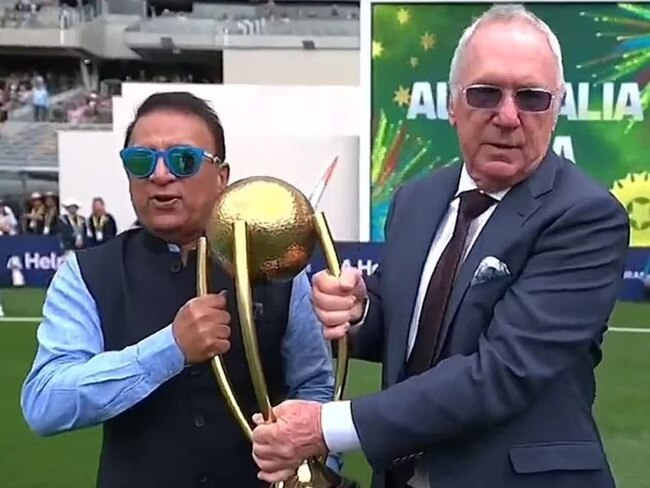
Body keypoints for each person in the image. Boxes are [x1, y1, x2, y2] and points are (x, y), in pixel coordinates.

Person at [250, 5, 629, 488]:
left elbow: (502, 372)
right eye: (485, 92)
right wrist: (362, 312)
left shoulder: (586, 216)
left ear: (556, 108)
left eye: (531, 97)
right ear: (452, 103)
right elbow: (416, 328)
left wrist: (325, 426)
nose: (508, 116)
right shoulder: (417, 199)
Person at [20, 91, 339, 488]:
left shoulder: (276, 270)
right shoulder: (86, 274)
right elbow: (46, 402)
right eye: (141, 161)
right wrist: (170, 349)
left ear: (222, 177)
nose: (160, 176)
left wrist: (313, 466)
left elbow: (314, 383)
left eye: (182, 160)